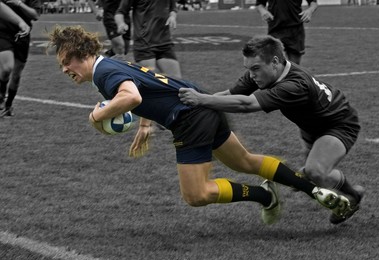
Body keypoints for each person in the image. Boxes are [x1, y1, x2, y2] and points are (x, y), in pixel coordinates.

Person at [47, 25, 355, 226]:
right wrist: (145, 124)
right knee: (245, 161)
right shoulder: (111, 65)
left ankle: (265, 196)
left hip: (190, 119)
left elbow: (131, 94)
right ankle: (314, 190)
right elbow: (147, 84)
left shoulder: (104, 74)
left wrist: (96, 116)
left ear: (84, 55)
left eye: (67, 61)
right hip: (202, 106)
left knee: (196, 195)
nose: (64, 69)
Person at [179, 35, 365, 224]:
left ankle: (353, 196)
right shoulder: (263, 73)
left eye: (256, 69)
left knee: (315, 171)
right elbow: (229, 95)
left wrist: (201, 99)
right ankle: (348, 190)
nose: (251, 75)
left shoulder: (295, 85)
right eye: (248, 69)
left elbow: (246, 105)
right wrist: (187, 109)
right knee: (310, 175)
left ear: (275, 62)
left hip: (339, 123)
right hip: (311, 126)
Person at [115, 0, 182, 79]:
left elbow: (173, 9)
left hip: (164, 42)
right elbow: (120, 12)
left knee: (176, 79)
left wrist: (172, 17)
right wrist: (120, 24)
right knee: (150, 80)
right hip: (144, 43)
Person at [0, 0, 39, 117]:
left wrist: (19, 3)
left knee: (16, 75)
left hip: (22, 35)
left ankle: (8, 106)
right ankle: (1, 93)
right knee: (7, 68)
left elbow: (35, 15)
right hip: (3, 33)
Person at [256, 0, 318, 65]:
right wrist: (263, 11)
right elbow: (259, 4)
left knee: (294, 66)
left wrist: (309, 11)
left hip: (295, 31)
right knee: (275, 65)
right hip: (275, 30)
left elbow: (313, 2)